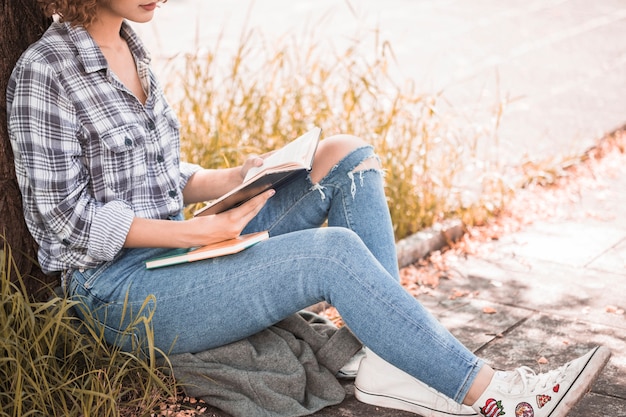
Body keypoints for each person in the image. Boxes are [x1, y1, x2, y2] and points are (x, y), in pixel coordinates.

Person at [6, 1, 610, 417]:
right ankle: (498, 396)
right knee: (333, 255)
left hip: (177, 249)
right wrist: (196, 236)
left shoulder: (132, 45)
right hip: (118, 291)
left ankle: (386, 357)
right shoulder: (45, 73)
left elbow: (160, 177)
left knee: (345, 157)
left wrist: (240, 176)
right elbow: (63, 222)